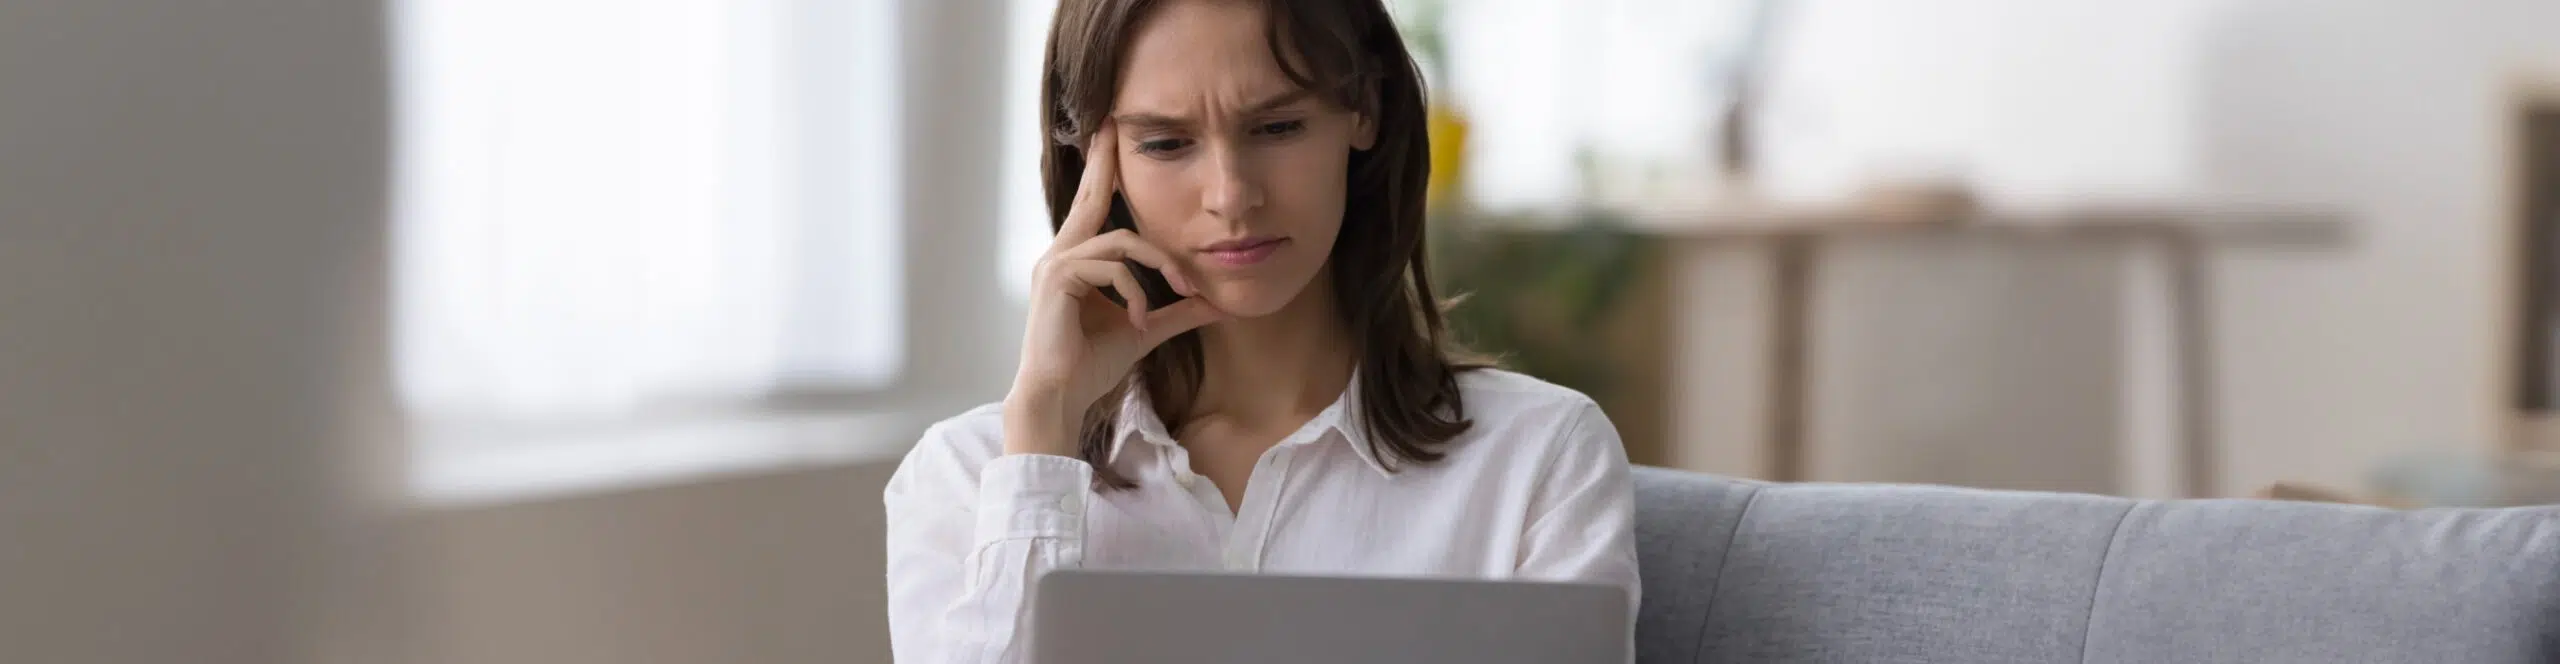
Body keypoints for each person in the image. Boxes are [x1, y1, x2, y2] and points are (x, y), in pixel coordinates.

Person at [882, 0, 1639, 660]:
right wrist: (1043, 427)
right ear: (1094, 158)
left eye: (1277, 125)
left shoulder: (1539, 458)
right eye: (1166, 143)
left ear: (1363, 111)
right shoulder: (968, 478)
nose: (1232, 196)